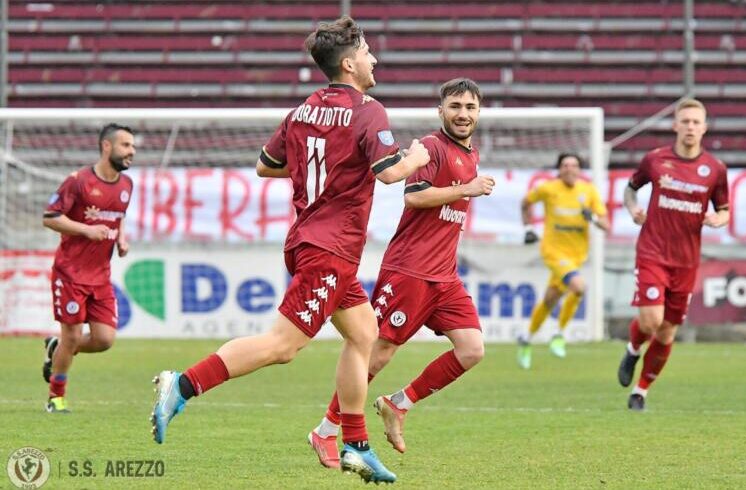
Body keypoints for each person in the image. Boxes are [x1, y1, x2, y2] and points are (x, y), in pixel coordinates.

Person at [149, 16, 429, 484]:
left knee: (364, 333)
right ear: (348, 62)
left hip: (307, 239)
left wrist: (323, 169)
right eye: (366, 52)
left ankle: (352, 444)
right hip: (330, 248)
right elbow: (389, 173)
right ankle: (181, 384)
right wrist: (417, 158)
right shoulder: (368, 110)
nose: (373, 58)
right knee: (282, 346)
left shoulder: (302, 111)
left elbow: (265, 165)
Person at [307, 78, 494, 467]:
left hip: (444, 276)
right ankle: (325, 430)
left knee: (472, 349)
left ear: (479, 112)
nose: (463, 114)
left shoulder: (469, 154)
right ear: (440, 110)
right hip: (409, 270)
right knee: (376, 355)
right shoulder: (430, 148)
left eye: (470, 107)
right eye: (455, 106)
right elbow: (414, 196)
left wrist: (468, 187)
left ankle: (399, 403)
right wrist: (468, 189)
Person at [617, 98, 729, 411]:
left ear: (704, 128)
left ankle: (640, 391)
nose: (691, 127)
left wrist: (718, 219)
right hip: (653, 251)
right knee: (652, 321)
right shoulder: (655, 159)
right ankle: (633, 347)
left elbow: (724, 210)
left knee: (667, 332)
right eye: (686, 121)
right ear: (675, 125)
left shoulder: (716, 170)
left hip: (687, 260)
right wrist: (632, 209)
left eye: (696, 122)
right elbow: (630, 188)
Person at [41, 123, 135, 413]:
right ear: (107, 147)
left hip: (100, 277)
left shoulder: (126, 185)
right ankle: (56, 397)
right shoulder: (78, 181)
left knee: (105, 339)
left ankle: (57, 349)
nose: (132, 152)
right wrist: (85, 229)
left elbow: (118, 217)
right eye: (126, 145)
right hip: (70, 273)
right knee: (71, 336)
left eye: (132, 146)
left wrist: (121, 237)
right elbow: (50, 217)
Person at [516, 153, 609, 369]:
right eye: (565, 165)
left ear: (579, 170)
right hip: (553, 251)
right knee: (579, 288)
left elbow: (606, 224)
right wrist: (528, 228)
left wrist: (593, 219)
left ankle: (527, 339)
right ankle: (559, 334)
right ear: (559, 169)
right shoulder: (549, 188)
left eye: (574, 165)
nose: (569, 169)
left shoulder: (589, 191)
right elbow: (525, 202)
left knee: (551, 299)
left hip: (576, 255)